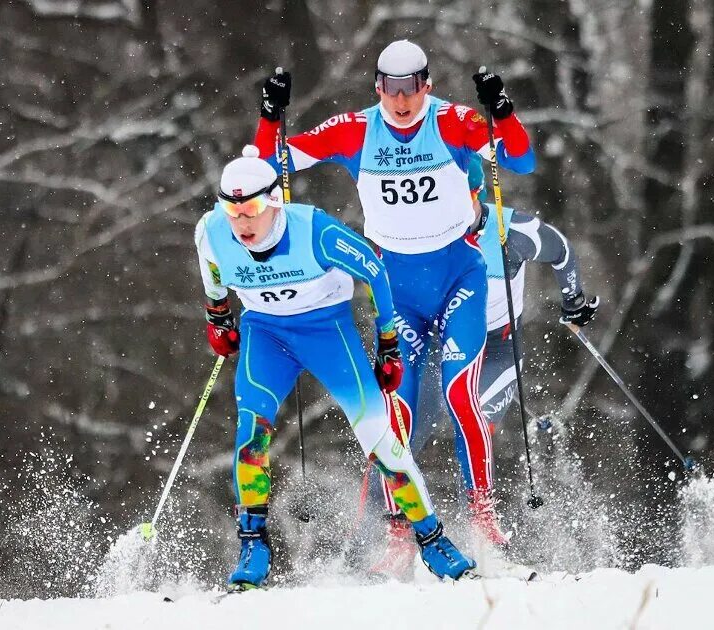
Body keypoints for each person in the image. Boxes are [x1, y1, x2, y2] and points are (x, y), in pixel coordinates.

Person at [252, 39, 537, 559]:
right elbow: (274, 166)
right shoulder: (355, 129)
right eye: (391, 90)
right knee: (395, 407)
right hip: (396, 291)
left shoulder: (452, 122)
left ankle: (480, 510)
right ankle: (401, 528)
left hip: (459, 280)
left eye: (411, 90)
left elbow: (520, 158)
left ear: (426, 85)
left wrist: (502, 112)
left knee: (458, 396)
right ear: (378, 88)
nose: (402, 101)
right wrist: (270, 117)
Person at [195, 146, 476, 588]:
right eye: (231, 210)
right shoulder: (212, 231)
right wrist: (218, 315)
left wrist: (389, 344)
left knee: (378, 438)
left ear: (273, 201)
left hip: (327, 332)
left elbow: (376, 272)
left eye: (249, 208)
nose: (241, 222)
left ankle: (432, 538)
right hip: (266, 335)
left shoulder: (314, 231)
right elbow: (211, 269)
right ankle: (253, 542)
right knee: (251, 431)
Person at [467, 157, 598, 423]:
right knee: (412, 419)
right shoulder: (422, 236)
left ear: (476, 192)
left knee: (474, 418)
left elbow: (561, 249)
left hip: (497, 345)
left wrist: (573, 301)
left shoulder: (512, 231)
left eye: (460, 196)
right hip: (439, 343)